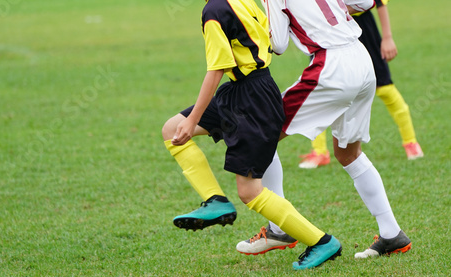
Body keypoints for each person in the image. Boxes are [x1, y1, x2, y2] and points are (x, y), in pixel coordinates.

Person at [162, 0, 341, 270]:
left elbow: (216, 70)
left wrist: (194, 121)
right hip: (245, 89)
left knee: (249, 192)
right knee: (171, 127)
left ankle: (322, 241)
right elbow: (266, 38)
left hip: (251, 99)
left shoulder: (214, 11)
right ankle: (215, 200)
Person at [236, 0, 412, 259]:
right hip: (362, 59)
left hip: (331, 65)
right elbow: (364, 2)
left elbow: (279, 44)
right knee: (348, 153)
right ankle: (392, 233)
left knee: (260, 132)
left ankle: (278, 230)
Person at [298, 0, 424, 169]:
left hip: (365, 29)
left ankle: (411, 143)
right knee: (322, 90)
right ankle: (320, 151)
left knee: (384, 87)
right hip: (328, 32)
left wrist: (387, 38)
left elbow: (380, 3)